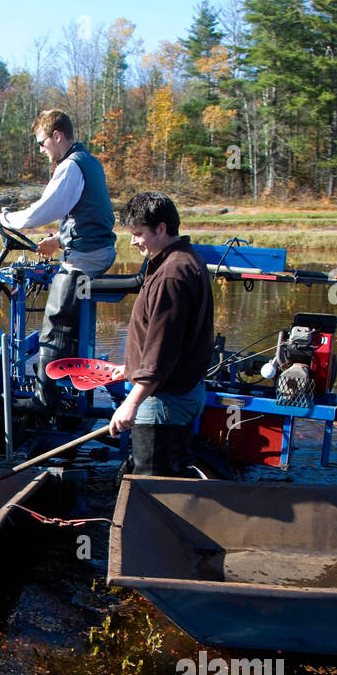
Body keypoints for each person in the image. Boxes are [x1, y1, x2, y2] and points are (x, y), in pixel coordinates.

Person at [0, 109, 116, 420]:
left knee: (55, 325)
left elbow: (41, 211)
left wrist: (2, 218)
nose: (42, 150)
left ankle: (44, 402)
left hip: (87, 256)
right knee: (63, 319)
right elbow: (85, 212)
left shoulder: (70, 166)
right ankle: (63, 384)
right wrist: (58, 240)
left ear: (57, 136)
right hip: (94, 249)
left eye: (42, 143)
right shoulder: (88, 161)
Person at [107, 191, 214, 476]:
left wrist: (130, 404)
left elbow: (161, 351)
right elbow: (166, 336)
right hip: (180, 390)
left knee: (150, 485)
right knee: (166, 472)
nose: (133, 240)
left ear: (161, 228)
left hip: (164, 401)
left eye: (138, 233)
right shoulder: (183, 258)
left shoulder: (171, 275)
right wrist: (130, 367)